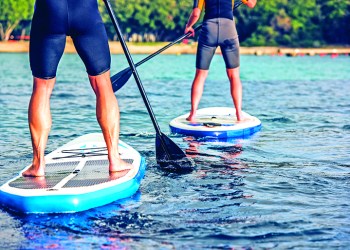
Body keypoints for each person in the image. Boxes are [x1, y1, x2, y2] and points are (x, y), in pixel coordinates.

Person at [23, 0, 131, 177]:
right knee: (103, 85)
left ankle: (38, 165)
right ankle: (114, 159)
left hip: (49, 11)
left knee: (41, 88)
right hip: (85, 11)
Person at [184, 0, 257, 122]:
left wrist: (189, 26)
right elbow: (251, 3)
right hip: (228, 30)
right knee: (234, 76)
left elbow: (196, 14)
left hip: (209, 30)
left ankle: (192, 114)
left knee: (200, 75)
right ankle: (239, 114)